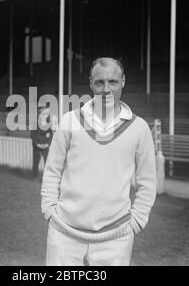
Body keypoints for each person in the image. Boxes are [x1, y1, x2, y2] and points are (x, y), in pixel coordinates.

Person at [41, 57, 157, 266]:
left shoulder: (139, 127)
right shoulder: (70, 120)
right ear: (90, 83)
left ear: (123, 81)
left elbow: (147, 180)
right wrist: (49, 209)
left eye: (112, 82)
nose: (106, 89)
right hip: (65, 231)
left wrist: (137, 221)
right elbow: (52, 169)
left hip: (115, 236)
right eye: (99, 82)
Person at [31, 108, 53, 180]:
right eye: (43, 114)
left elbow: (50, 135)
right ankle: (34, 177)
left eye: (46, 114)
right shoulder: (35, 124)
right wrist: (37, 144)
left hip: (45, 146)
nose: (44, 116)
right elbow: (33, 135)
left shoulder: (48, 124)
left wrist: (47, 144)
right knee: (36, 161)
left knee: (47, 162)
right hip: (37, 146)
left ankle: (46, 177)